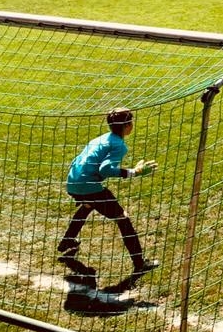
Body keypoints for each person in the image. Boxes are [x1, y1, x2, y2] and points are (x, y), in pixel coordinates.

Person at [57, 108, 159, 274]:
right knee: (123, 219)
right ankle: (140, 263)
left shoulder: (100, 138)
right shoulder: (119, 145)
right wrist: (134, 172)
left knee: (88, 205)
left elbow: (78, 159)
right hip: (89, 185)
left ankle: (67, 241)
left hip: (72, 182)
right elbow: (105, 169)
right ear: (127, 126)